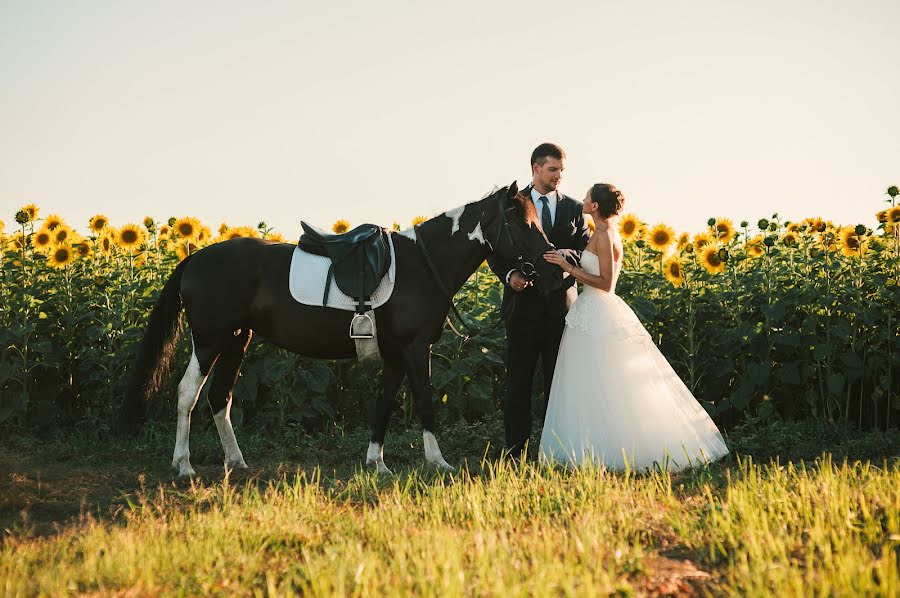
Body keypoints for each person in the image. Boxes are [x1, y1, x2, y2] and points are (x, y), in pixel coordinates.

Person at [540, 184, 729, 470]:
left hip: (598, 311)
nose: (584, 197)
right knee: (591, 382)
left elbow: (606, 284)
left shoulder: (604, 235)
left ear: (595, 206)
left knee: (605, 380)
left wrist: (570, 270)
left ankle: (611, 449)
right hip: (588, 312)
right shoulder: (600, 232)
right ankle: (589, 445)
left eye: (589, 195)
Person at [487, 143, 590, 457]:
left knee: (557, 383)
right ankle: (516, 450)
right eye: (552, 170)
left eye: (561, 171)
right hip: (522, 306)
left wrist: (562, 257)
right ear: (535, 168)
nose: (558, 176)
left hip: (562, 307)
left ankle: (555, 448)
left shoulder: (574, 208)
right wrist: (509, 276)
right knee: (518, 381)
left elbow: (586, 251)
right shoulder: (512, 205)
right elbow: (494, 248)